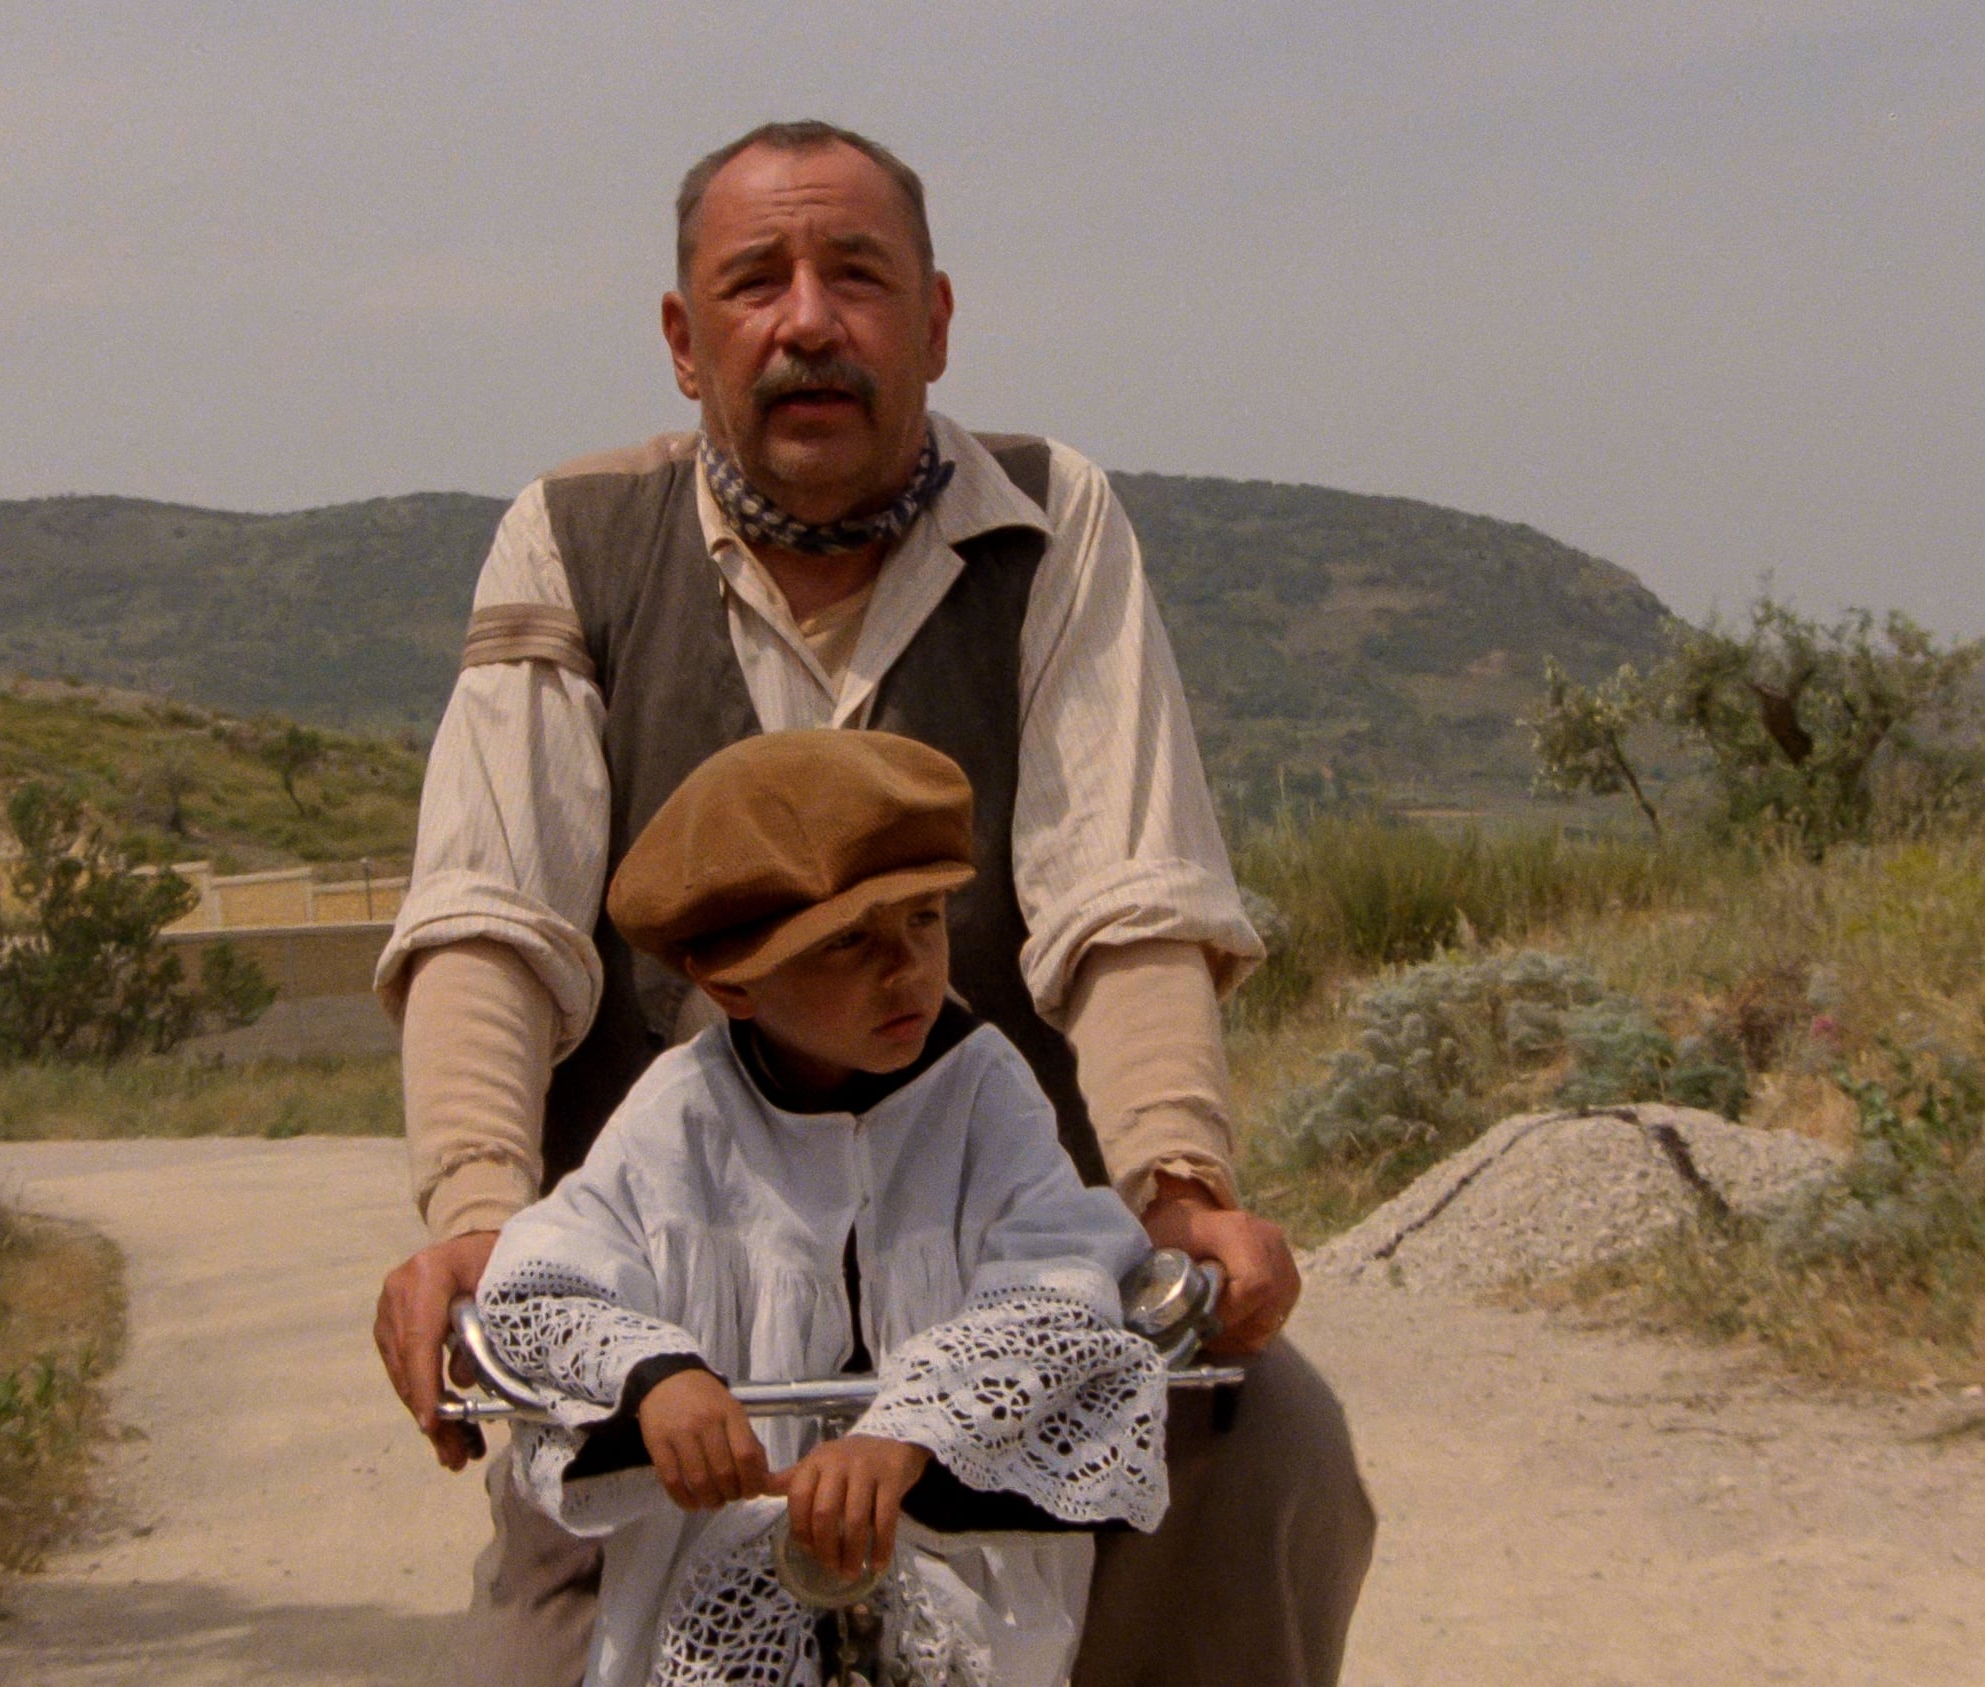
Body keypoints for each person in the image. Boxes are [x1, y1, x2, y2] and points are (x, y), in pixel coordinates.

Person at [374, 118, 1373, 1685]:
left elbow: (1127, 896)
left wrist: (1176, 1182)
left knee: (1274, 1438)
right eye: (753, 282)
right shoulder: (573, 536)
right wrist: (478, 1219)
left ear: (936, 318)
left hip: (990, 1258)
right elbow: (494, 913)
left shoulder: (1050, 519)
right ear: (683, 339)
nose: (807, 320)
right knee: (544, 1652)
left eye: (857, 274)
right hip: (680, 1298)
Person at [478, 730, 1172, 1687]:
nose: (907, 968)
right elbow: (543, 1281)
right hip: (721, 1574)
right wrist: (657, 1378)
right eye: (849, 941)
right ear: (733, 981)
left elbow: (1056, 1279)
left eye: (924, 919)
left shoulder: (982, 1089)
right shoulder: (682, 1113)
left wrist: (911, 1427)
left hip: (945, 1570)